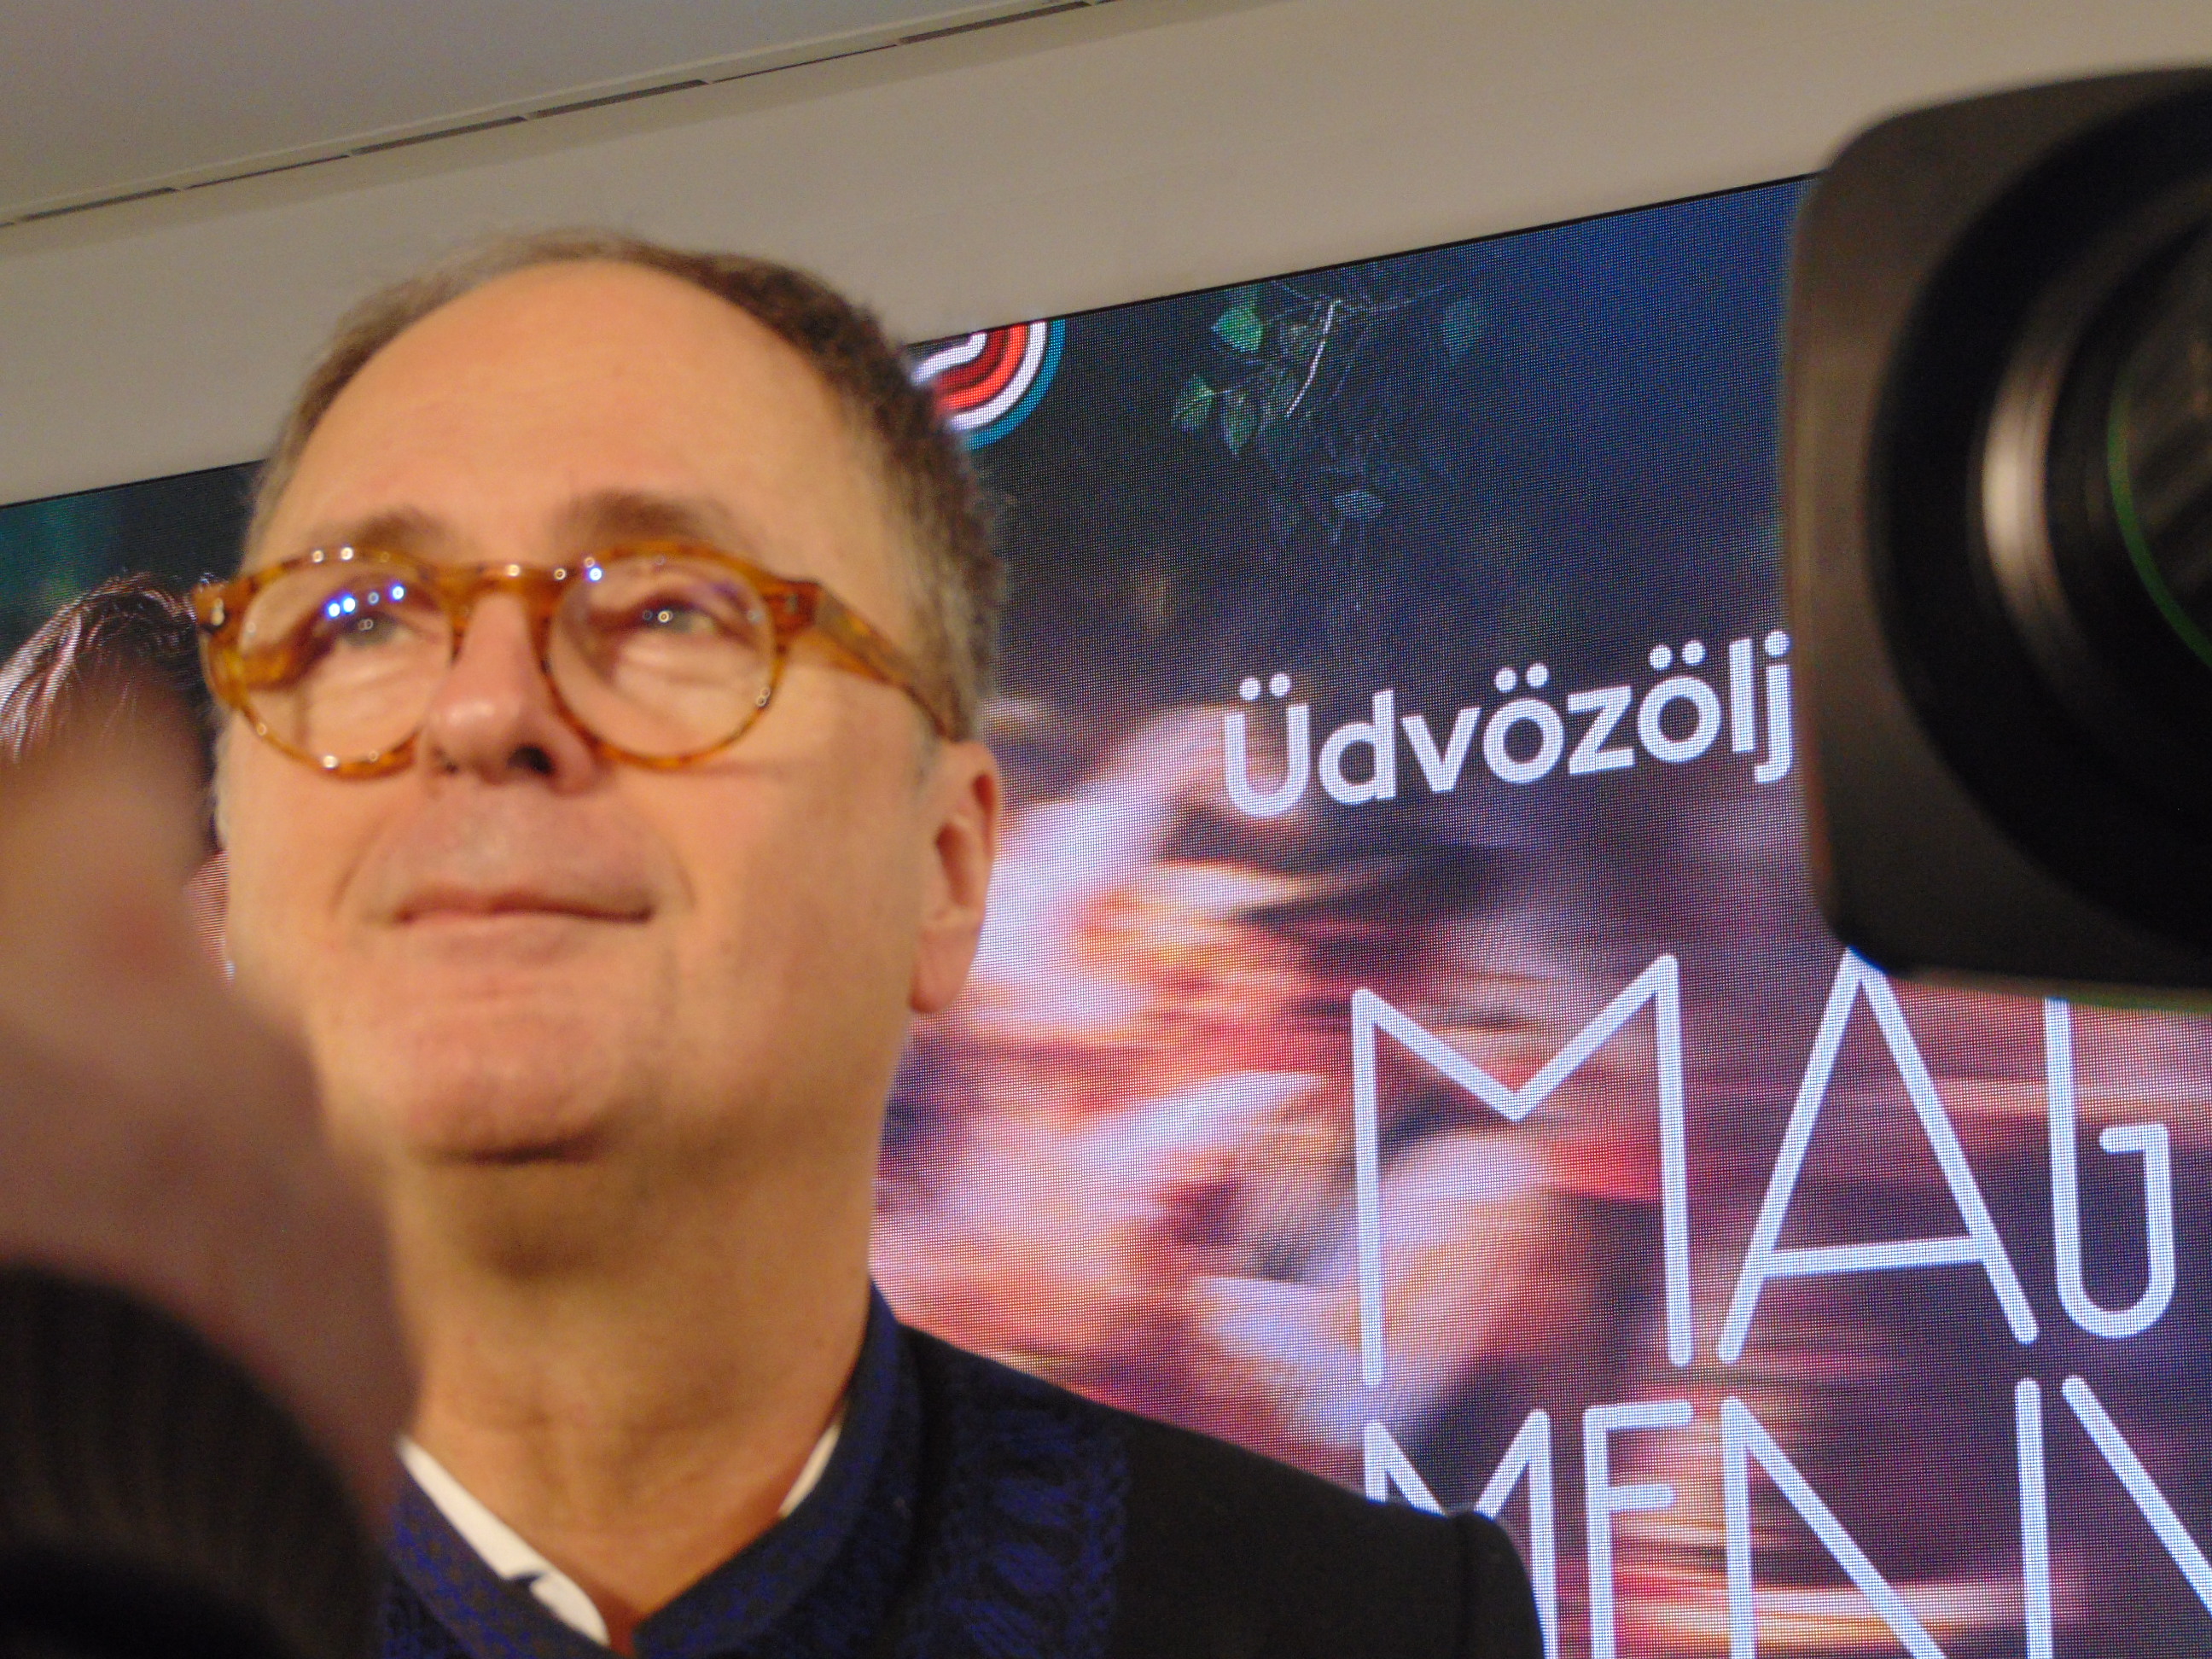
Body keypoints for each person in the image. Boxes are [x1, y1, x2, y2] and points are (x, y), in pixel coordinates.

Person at [195, 230, 1541, 1658]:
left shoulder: (1367, 1628)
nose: (481, 711)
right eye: (354, 623)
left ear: (947, 870)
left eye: (669, 609)